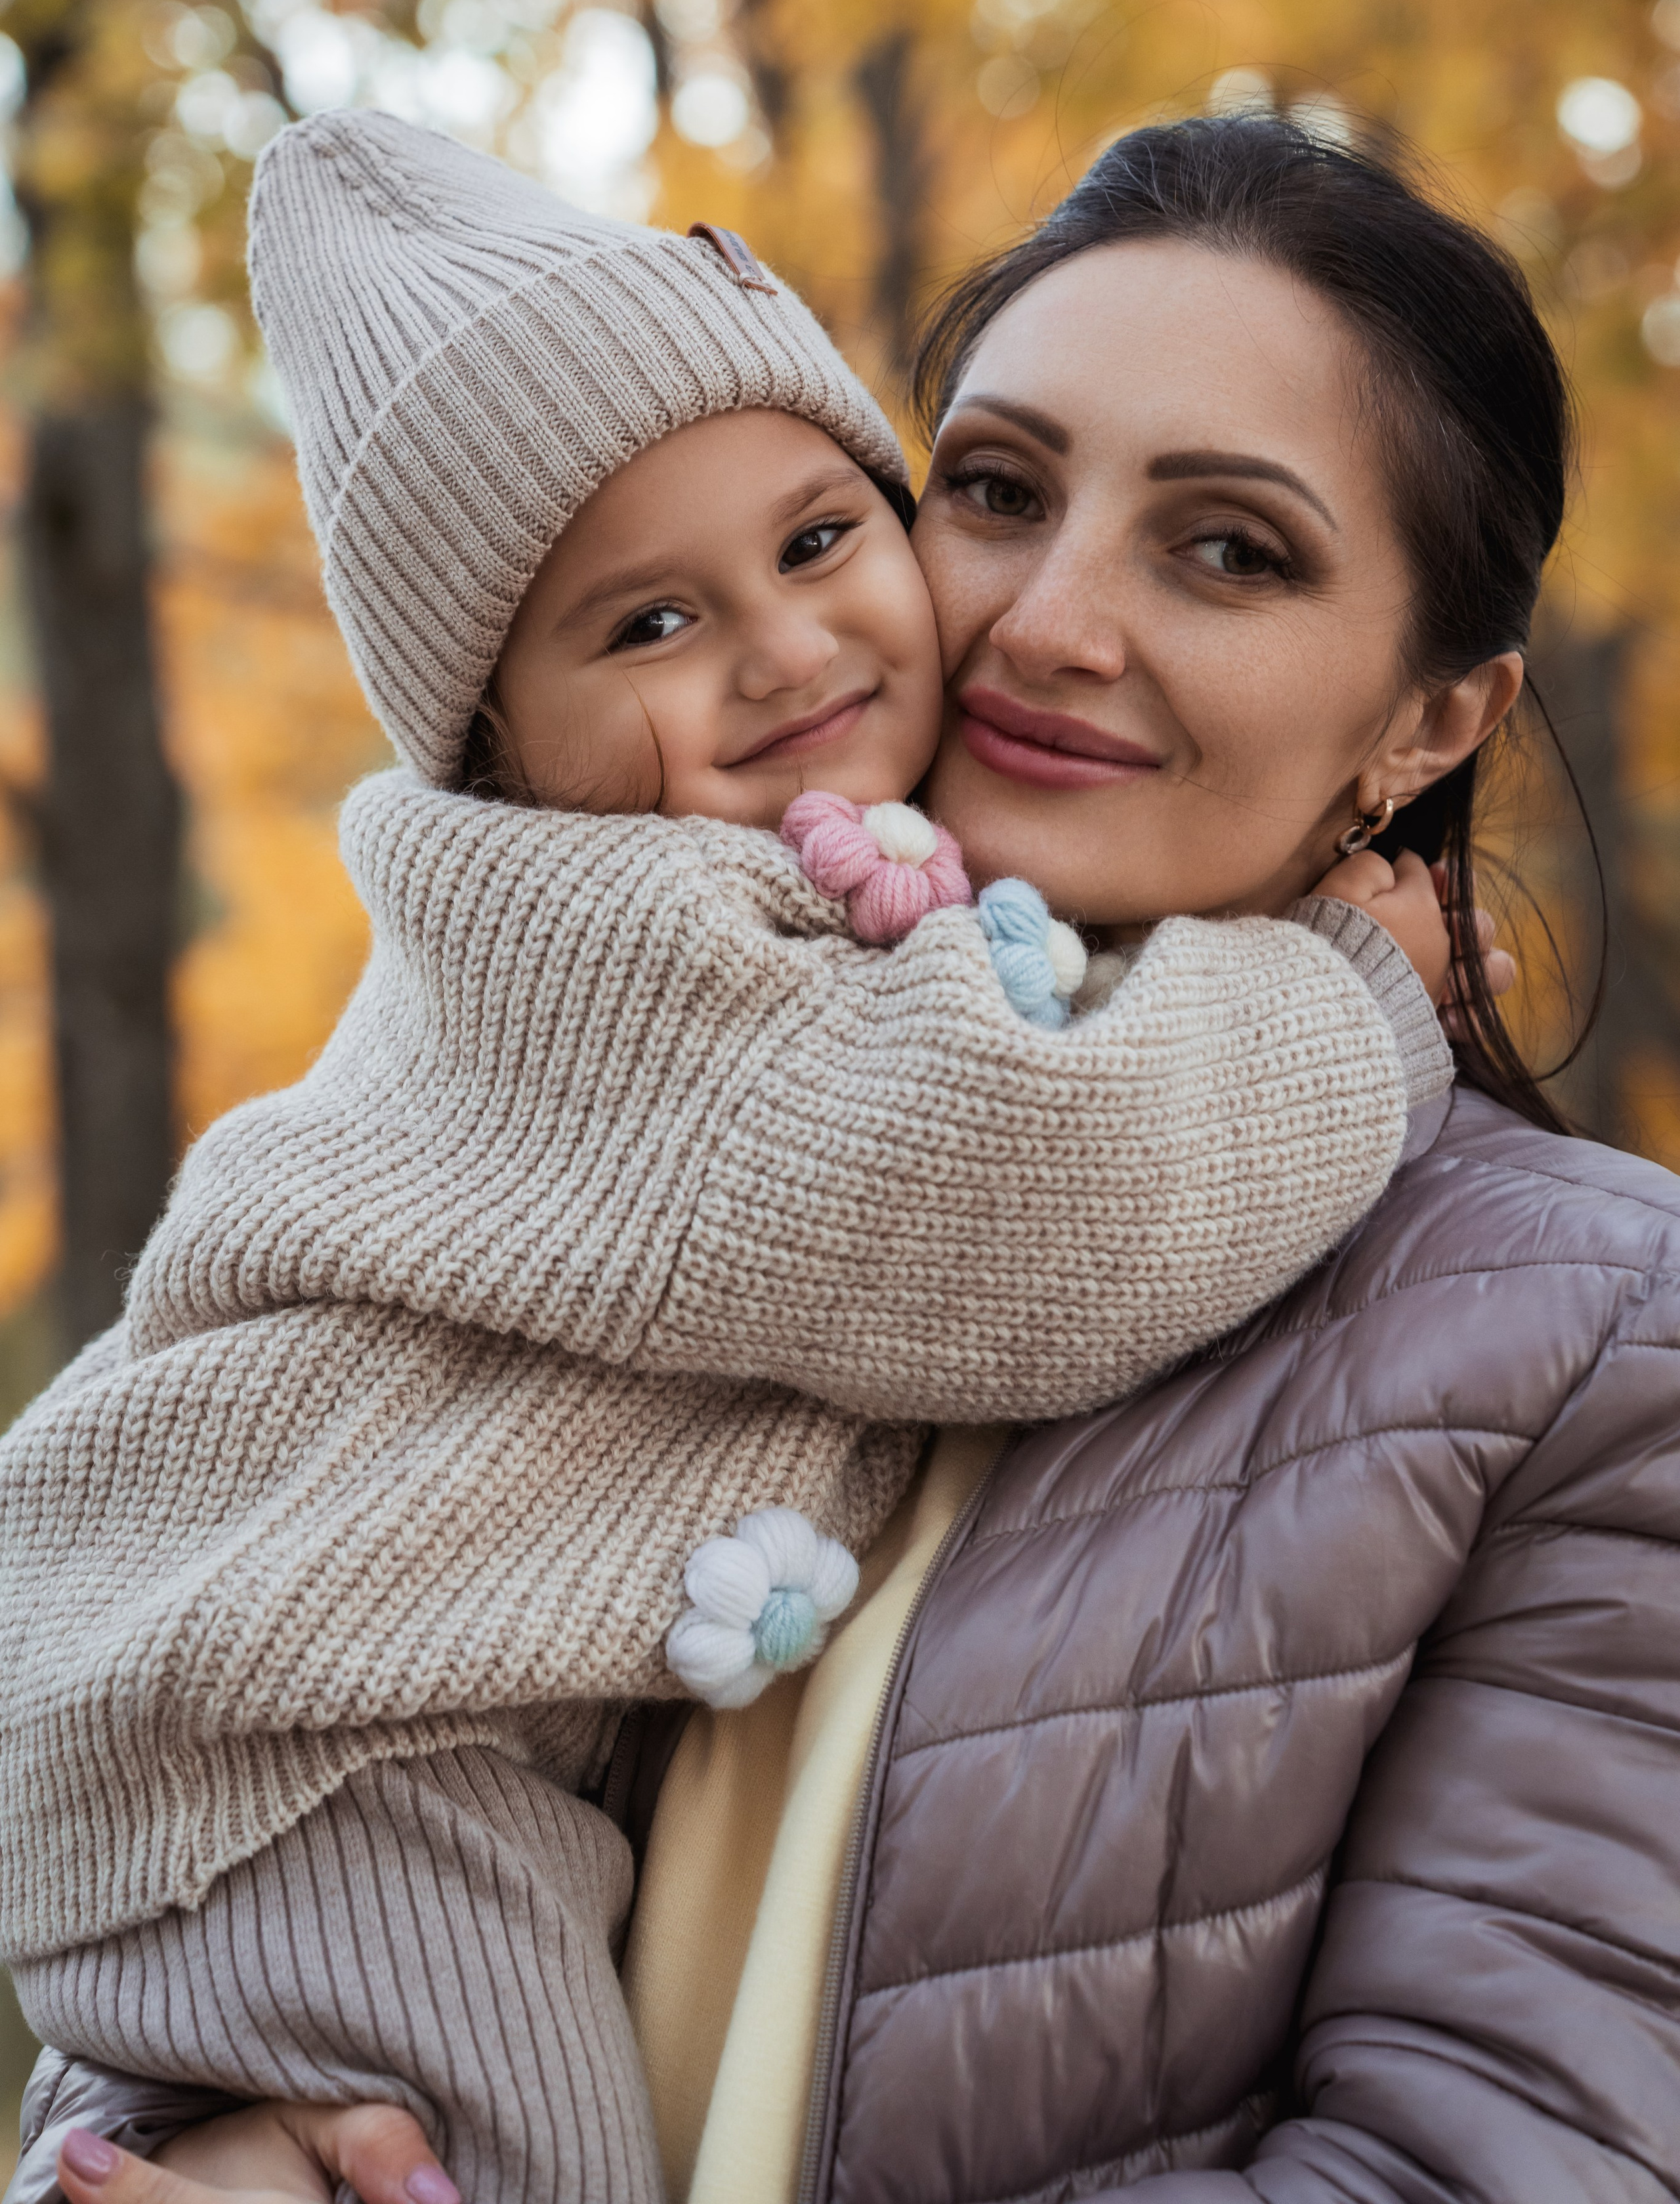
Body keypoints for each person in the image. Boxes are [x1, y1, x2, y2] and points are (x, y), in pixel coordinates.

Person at [0, 113, 1461, 2204]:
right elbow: (1024, 1199)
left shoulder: (805, 898)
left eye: (814, 540)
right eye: (645, 629)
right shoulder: (615, 949)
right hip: (315, 1751)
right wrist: (1343, 998)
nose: (785, 655)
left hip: (280, 1721)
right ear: (498, 747)